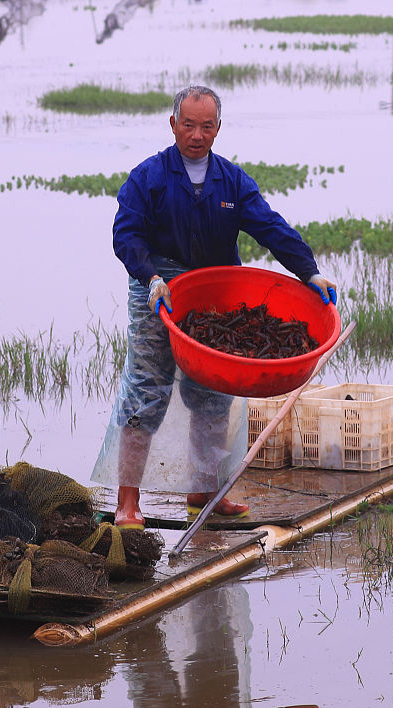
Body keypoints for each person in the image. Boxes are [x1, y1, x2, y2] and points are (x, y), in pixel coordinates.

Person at [95, 85, 337, 529]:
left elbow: (269, 226)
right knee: (145, 392)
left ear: (219, 129)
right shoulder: (146, 178)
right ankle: (127, 503)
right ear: (173, 125)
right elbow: (125, 237)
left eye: (207, 126)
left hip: (214, 297)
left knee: (213, 398)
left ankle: (205, 495)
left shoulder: (232, 181)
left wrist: (309, 271)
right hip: (159, 291)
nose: (197, 134)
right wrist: (151, 277)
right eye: (188, 124)